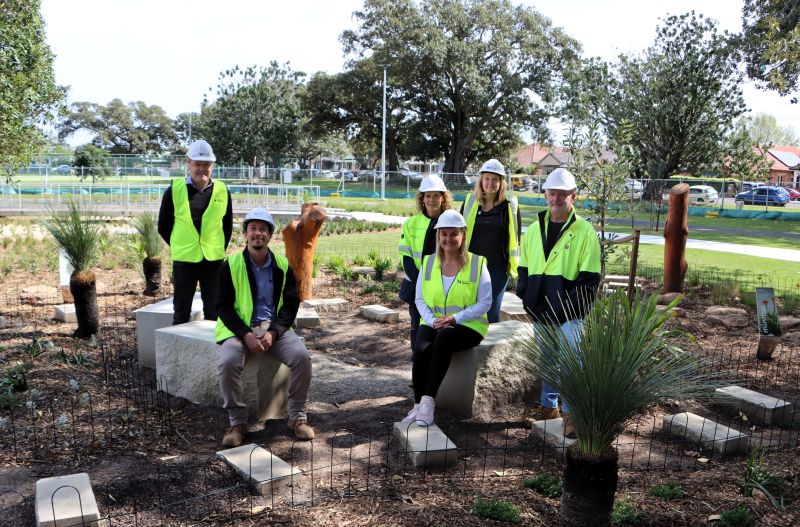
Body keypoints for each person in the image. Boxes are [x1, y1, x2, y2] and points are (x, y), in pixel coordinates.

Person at [215, 208, 315, 447]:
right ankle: (238, 423)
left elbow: (291, 305)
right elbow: (222, 306)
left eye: (263, 229)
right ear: (245, 233)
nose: (257, 234)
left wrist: (274, 332)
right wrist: (246, 335)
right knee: (228, 362)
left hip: (273, 330)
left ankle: (297, 418)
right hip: (239, 332)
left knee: (302, 357)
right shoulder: (230, 265)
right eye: (253, 228)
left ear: (270, 235)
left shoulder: (282, 265)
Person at [516, 168, 601, 438]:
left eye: (562, 194)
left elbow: (589, 280)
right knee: (549, 360)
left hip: (570, 315)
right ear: (545, 195)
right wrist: (529, 301)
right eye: (552, 193)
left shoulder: (585, 231)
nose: (556, 199)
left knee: (572, 361)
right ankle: (548, 410)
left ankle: (572, 414)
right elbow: (524, 271)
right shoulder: (533, 230)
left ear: (573, 197)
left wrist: (562, 310)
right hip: (542, 313)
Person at [401, 210, 492, 426]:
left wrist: (455, 318)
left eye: (454, 234)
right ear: (438, 236)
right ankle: (417, 405)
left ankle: (428, 401)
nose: (448, 239)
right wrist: (432, 320)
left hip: (468, 325)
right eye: (444, 234)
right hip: (434, 321)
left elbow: (485, 302)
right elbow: (420, 298)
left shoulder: (477, 264)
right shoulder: (429, 262)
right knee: (420, 347)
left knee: (444, 339)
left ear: (462, 236)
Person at [158, 139, 233, 324]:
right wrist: (182, 244)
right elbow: (163, 226)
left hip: (213, 260)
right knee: (181, 311)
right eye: (197, 164)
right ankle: (179, 351)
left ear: (212, 165)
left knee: (214, 310)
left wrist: (214, 247)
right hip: (184, 260)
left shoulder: (223, 191)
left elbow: (227, 226)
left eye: (206, 164)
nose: (202, 168)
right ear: (188, 163)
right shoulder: (174, 191)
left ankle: (214, 351)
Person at [460, 159, 521, 323]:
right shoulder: (470, 202)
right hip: (470, 266)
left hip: (497, 268)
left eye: (495, 179)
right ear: (481, 180)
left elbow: (516, 237)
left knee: (491, 313)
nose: (490, 183)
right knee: (469, 310)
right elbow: (458, 233)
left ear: (501, 183)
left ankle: (490, 348)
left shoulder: (510, 205)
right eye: (487, 178)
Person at [398, 174, 452, 356]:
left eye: (436, 195)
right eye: (427, 196)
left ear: (443, 198)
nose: (431, 200)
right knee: (417, 328)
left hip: (445, 286)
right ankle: (418, 369)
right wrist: (423, 282)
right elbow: (406, 258)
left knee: (442, 329)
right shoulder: (411, 224)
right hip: (417, 285)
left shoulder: (450, 222)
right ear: (422, 198)